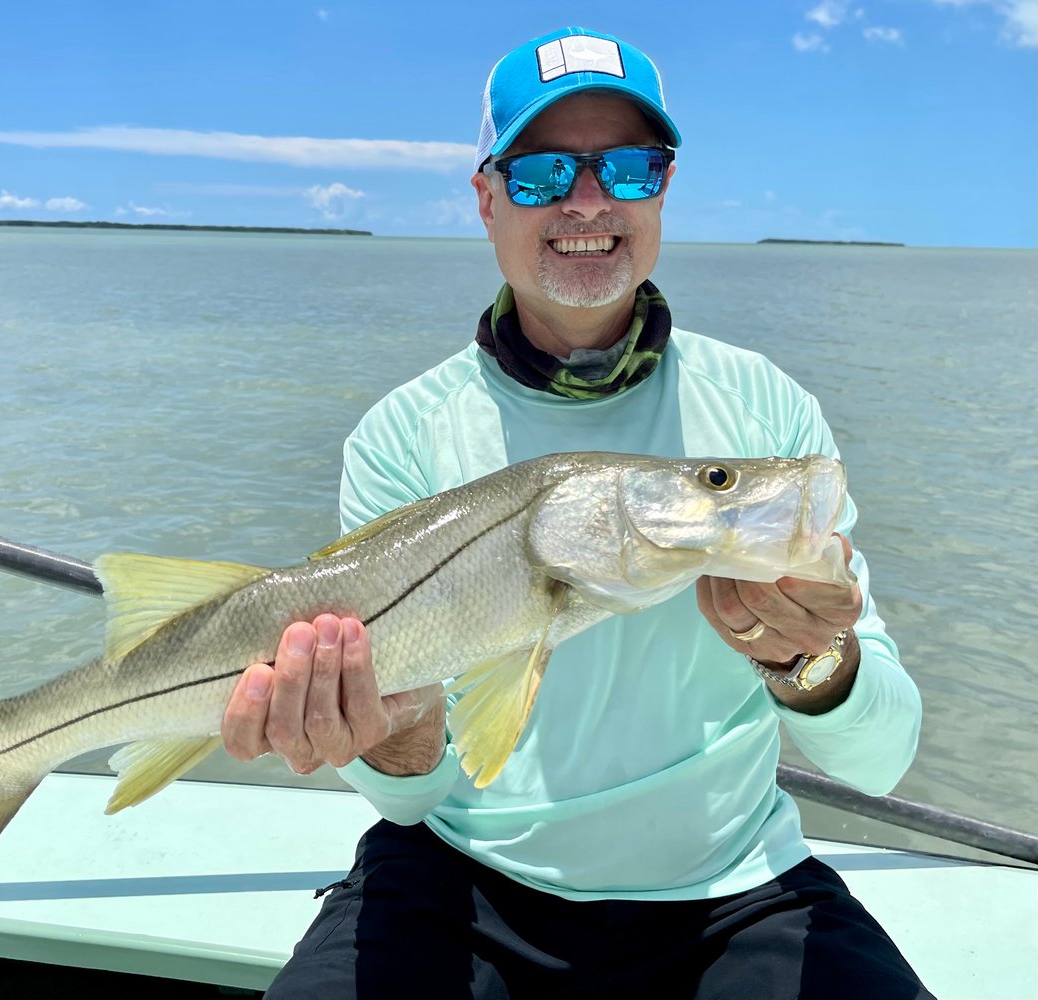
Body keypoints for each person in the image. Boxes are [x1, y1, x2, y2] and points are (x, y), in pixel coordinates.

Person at [222, 27, 930, 999]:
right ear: (484, 197)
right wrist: (389, 738)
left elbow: (883, 756)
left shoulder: (768, 412)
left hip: (733, 888)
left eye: (629, 168)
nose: (587, 202)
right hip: (458, 879)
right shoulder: (402, 435)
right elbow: (414, 790)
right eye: (543, 170)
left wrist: (808, 664)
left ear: (662, 189)